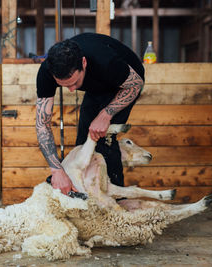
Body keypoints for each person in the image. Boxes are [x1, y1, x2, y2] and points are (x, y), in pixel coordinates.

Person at [36, 32, 145, 196]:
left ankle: (115, 200)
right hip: (95, 86)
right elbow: (42, 125)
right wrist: (57, 171)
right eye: (64, 86)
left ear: (84, 62)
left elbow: (136, 85)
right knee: (84, 142)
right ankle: (83, 195)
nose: (72, 90)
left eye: (74, 83)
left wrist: (106, 114)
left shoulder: (106, 62)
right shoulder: (46, 72)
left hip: (126, 83)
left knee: (103, 139)